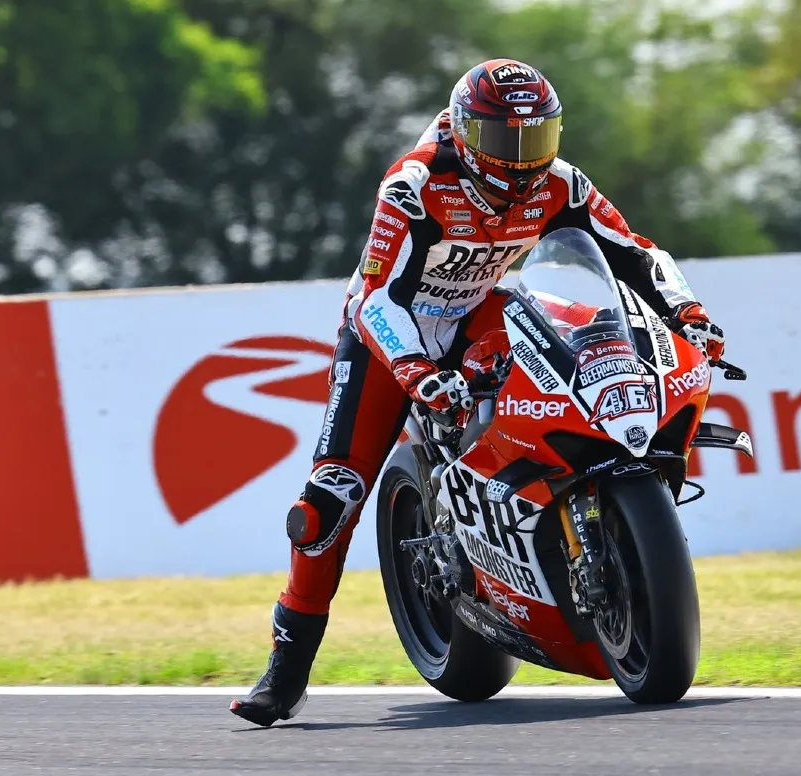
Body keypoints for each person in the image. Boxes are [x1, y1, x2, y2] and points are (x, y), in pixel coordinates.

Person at [229, 58, 726, 727]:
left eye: (537, 139)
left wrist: (687, 312)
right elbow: (379, 297)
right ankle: (286, 670)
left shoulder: (560, 183)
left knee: (567, 370)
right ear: (465, 133)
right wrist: (415, 372)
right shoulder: (415, 185)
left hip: (478, 318)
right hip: (390, 336)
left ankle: (556, 516)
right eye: (504, 142)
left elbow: (633, 250)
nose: (522, 161)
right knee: (327, 502)